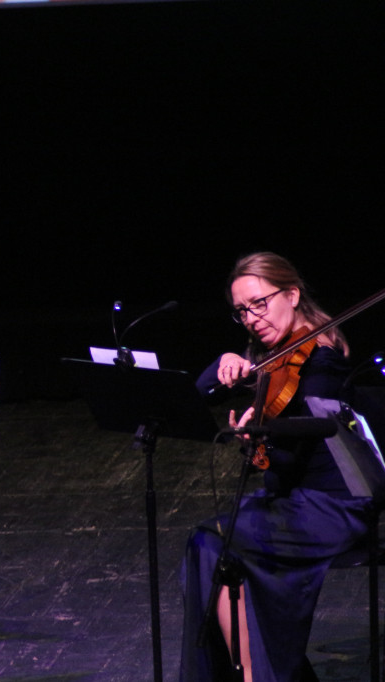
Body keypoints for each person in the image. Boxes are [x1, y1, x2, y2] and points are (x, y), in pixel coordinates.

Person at [180, 252, 372, 682]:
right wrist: (227, 362)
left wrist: (267, 430)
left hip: (332, 505)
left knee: (216, 545)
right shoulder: (270, 356)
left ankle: (256, 674)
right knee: (204, 545)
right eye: (241, 311)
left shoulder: (322, 360)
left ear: (291, 294)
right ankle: (262, 671)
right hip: (287, 499)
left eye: (259, 303)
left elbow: (309, 431)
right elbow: (201, 392)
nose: (251, 318)